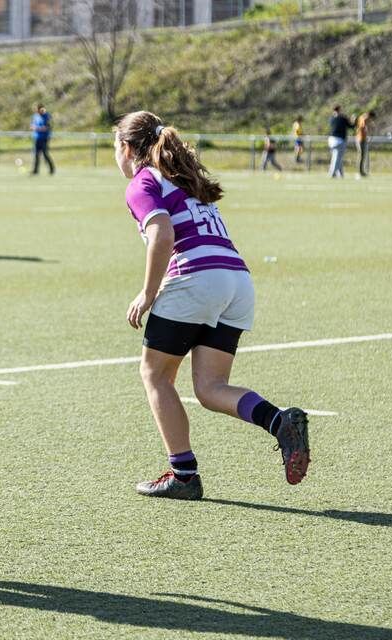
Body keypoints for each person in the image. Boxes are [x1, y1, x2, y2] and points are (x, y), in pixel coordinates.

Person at [113, 110, 310, 500]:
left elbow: (162, 234)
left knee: (155, 375)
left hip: (196, 278)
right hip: (237, 280)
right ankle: (279, 422)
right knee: (210, 387)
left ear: (126, 148)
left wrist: (148, 293)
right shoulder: (184, 178)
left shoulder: (143, 182)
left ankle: (183, 475)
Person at [327, 105, 353, 178]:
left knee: (337, 157)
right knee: (337, 158)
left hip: (331, 140)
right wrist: (353, 120)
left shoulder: (331, 118)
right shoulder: (342, 118)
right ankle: (332, 173)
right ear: (339, 110)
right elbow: (351, 126)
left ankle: (341, 174)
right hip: (339, 140)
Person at [31, 104, 55, 175]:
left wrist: (37, 128)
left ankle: (52, 169)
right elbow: (32, 126)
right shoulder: (35, 116)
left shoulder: (47, 116)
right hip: (37, 138)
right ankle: (35, 170)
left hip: (44, 138)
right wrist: (34, 127)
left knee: (45, 154)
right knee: (36, 155)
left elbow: (47, 127)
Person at [355, 110, 375, 177]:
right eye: (371, 118)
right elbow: (362, 127)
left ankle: (362, 171)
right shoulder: (364, 118)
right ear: (369, 116)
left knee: (363, 156)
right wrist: (369, 129)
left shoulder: (362, 117)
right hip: (360, 139)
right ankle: (359, 172)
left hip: (362, 138)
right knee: (361, 156)